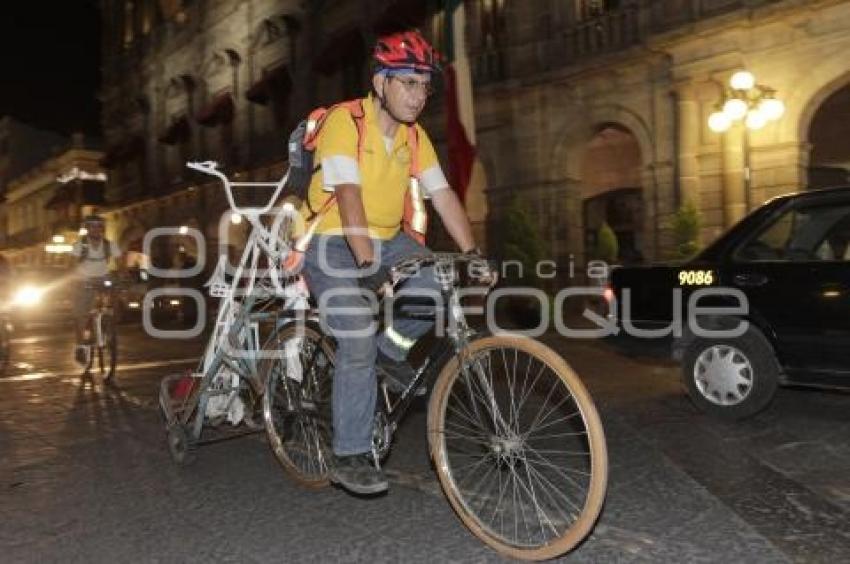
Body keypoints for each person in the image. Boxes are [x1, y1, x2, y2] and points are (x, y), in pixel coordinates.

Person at [298, 29, 489, 495]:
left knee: (435, 282)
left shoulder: (414, 135)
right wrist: (371, 266)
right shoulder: (347, 121)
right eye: (408, 82)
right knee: (356, 337)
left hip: (389, 237)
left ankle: (392, 351)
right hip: (331, 242)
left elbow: (442, 195)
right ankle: (349, 453)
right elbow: (347, 195)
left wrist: (472, 253)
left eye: (425, 85)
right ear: (381, 83)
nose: (420, 95)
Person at [71, 214, 123, 369]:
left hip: (103, 278)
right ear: (87, 229)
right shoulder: (80, 245)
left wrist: (123, 275)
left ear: (102, 229)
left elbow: (120, 262)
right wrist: (76, 279)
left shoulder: (109, 245)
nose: (96, 229)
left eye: (99, 226)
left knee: (114, 299)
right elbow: (72, 264)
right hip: (84, 280)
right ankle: (80, 346)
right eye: (92, 226)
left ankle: (109, 328)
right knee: (81, 314)